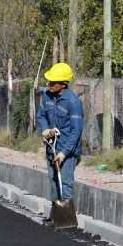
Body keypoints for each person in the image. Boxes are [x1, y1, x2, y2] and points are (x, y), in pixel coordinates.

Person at [36, 62, 84, 213]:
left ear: (63, 84)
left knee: (65, 182)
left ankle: (67, 218)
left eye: (53, 82)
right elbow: (41, 116)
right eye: (49, 81)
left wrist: (63, 153)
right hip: (52, 147)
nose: (49, 84)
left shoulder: (73, 102)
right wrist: (45, 129)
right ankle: (55, 215)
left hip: (67, 151)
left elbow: (76, 131)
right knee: (53, 181)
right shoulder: (47, 96)